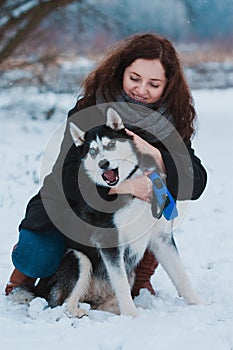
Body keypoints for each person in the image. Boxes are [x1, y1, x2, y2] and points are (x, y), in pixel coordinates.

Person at [5, 33, 207, 298]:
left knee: (159, 197)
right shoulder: (90, 109)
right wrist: (128, 187)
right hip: (69, 208)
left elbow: (196, 182)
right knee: (37, 256)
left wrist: (158, 156)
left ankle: (140, 277)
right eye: (135, 78)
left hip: (127, 221)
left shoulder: (169, 121)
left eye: (153, 84)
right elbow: (67, 176)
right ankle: (24, 277)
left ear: (167, 86)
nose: (141, 90)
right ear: (121, 72)